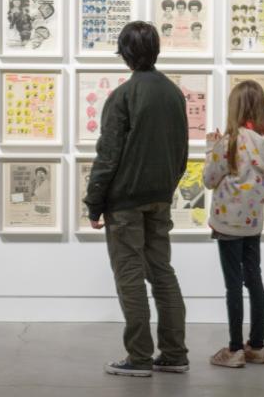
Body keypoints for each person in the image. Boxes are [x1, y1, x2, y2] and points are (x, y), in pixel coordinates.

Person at [83, 21, 191, 378]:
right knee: (162, 273)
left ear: (125, 54)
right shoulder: (174, 94)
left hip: (126, 202)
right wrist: (167, 187)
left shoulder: (123, 96)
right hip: (160, 198)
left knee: (129, 276)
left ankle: (140, 357)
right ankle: (175, 354)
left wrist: (94, 203)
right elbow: (181, 153)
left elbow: (108, 156)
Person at [201, 80, 264, 369]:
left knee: (233, 285)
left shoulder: (232, 140)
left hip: (227, 222)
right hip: (253, 222)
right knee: (254, 280)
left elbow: (209, 179)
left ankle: (235, 349)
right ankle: (257, 346)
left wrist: (211, 147)